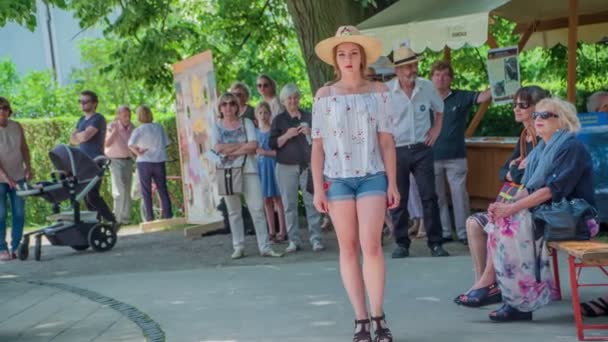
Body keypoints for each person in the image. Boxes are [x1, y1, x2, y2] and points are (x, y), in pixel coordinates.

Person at [311, 25, 399, 342]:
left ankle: (379, 317)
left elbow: (387, 142)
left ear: (362, 57)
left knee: (371, 245)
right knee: (347, 248)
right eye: (343, 54)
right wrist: (318, 188)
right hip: (337, 179)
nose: (349, 59)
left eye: (354, 53)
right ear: (336, 60)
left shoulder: (379, 93)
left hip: (372, 174)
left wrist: (393, 183)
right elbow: (317, 146)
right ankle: (360, 319)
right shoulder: (324, 95)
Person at [484, 97, 596, 322]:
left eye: (545, 115)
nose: (538, 119)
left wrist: (512, 209)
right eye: (536, 115)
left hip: (576, 219)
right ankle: (511, 296)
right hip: (552, 214)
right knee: (502, 222)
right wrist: (505, 206)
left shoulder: (570, 147)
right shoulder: (541, 150)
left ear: (562, 120)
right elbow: (530, 188)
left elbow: (550, 191)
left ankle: (521, 302)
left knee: (512, 226)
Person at [454, 85, 550, 308]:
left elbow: (530, 178)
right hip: (518, 203)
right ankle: (483, 284)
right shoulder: (525, 136)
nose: (516, 109)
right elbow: (503, 171)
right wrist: (515, 170)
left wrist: (514, 171)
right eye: (515, 104)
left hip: (532, 208)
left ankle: (492, 286)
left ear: (538, 108)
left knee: (499, 221)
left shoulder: (545, 138)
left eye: (523, 105)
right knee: (473, 223)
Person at [386, 46, 449, 258]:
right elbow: (379, 122)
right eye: (408, 67)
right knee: (398, 198)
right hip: (397, 150)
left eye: (414, 65)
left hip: (422, 148)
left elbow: (440, 110)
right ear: (397, 70)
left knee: (429, 195)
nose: (413, 70)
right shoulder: (386, 92)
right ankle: (402, 243)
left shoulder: (426, 87)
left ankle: (436, 243)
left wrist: (436, 130)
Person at [212, 93, 282, 259]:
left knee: (257, 208)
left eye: (231, 103)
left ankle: (265, 246)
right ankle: (238, 246)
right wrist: (241, 146)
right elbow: (218, 148)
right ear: (220, 107)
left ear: (236, 106)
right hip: (227, 172)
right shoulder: (216, 125)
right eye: (224, 104)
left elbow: (253, 145)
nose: (228, 107)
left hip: (248, 169)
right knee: (234, 211)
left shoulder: (247, 122)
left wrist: (231, 149)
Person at [430, 60, 492, 245]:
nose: (441, 78)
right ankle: (445, 233)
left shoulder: (460, 96)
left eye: (445, 75)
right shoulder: (424, 99)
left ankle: (465, 233)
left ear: (451, 78)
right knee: (437, 197)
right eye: (437, 75)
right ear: (431, 78)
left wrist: (501, 80)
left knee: (459, 195)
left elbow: (482, 97)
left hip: (456, 156)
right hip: (431, 156)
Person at [269, 83, 324, 253]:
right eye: (289, 98)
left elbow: (323, 139)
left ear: (299, 98)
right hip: (285, 167)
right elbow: (272, 144)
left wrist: (311, 132)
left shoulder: (309, 115)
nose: (293, 101)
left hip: (308, 165)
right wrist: (286, 135)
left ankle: (316, 239)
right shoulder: (279, 120)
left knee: (311, 203)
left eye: (295, 97)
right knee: (289, 205)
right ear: (283, 101)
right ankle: (294, 240)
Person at [69, 90, 116, 226]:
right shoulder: (81, 120)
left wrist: (80, 136)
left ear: (94, 103)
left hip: (95, 161)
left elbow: (84, 137)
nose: (82, 104)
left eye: (85, 101)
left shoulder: (98, 119)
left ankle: (111, 220)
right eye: (80, 101)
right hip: (82, 162)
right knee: (85, 194)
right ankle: (96, 223)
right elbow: (72, 139)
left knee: (92, 194)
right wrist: (80, 136)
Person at [0, 97, 32, 261]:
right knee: (1, 214)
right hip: (0, 179)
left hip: (18, 176)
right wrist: (6, 178)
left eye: (5, 108)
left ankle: (16, 246)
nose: (2, 111)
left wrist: (29, 166)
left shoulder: (16, 126)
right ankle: (2, 248)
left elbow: (24, 148)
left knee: (19, 213)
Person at [128, 105, 172, 222]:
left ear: (139, 116)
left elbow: (130, 144)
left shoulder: (138, 130)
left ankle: (149, 217)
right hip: (159, 161)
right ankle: (168, 215)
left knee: (146, 191)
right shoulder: (159, 127)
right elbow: (167, 143)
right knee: (162, 188)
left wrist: (138, 152)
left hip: (144, 162)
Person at [255, 101, 287, 242]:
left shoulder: (273, 132)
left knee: (278, 199)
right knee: (266, 199)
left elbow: (278, 152)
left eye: (265, 112)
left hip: (273, 166)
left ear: (270, 114)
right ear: (256, 115)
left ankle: (283, 230)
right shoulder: (255, 133)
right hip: (261, 168)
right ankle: (271, 231)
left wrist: (265, 153)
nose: (263, 115)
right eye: (260, 112)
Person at [105, 105, 135, 225]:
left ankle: (126, 219)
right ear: (118, 116)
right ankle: (116, 218)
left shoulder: (132, 127)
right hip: (115, 160)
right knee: (119, 190)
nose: (127, 118)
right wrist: (115, 132)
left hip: (128, 160)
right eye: (125, 116)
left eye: (129, 115)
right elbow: (107, 144)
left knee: (127, 189)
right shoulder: (111, 126)